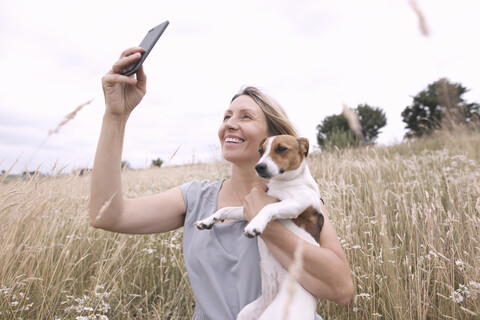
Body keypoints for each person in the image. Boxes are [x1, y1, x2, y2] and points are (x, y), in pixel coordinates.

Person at [90, 47, 354, 320]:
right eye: (226, 116)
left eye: (245, 117)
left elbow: (342, 289)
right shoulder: (196, 197)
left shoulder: (301, 203)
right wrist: (115, 115)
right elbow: (106, 215)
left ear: (275, 137)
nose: (230, 124)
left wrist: (266, 222)